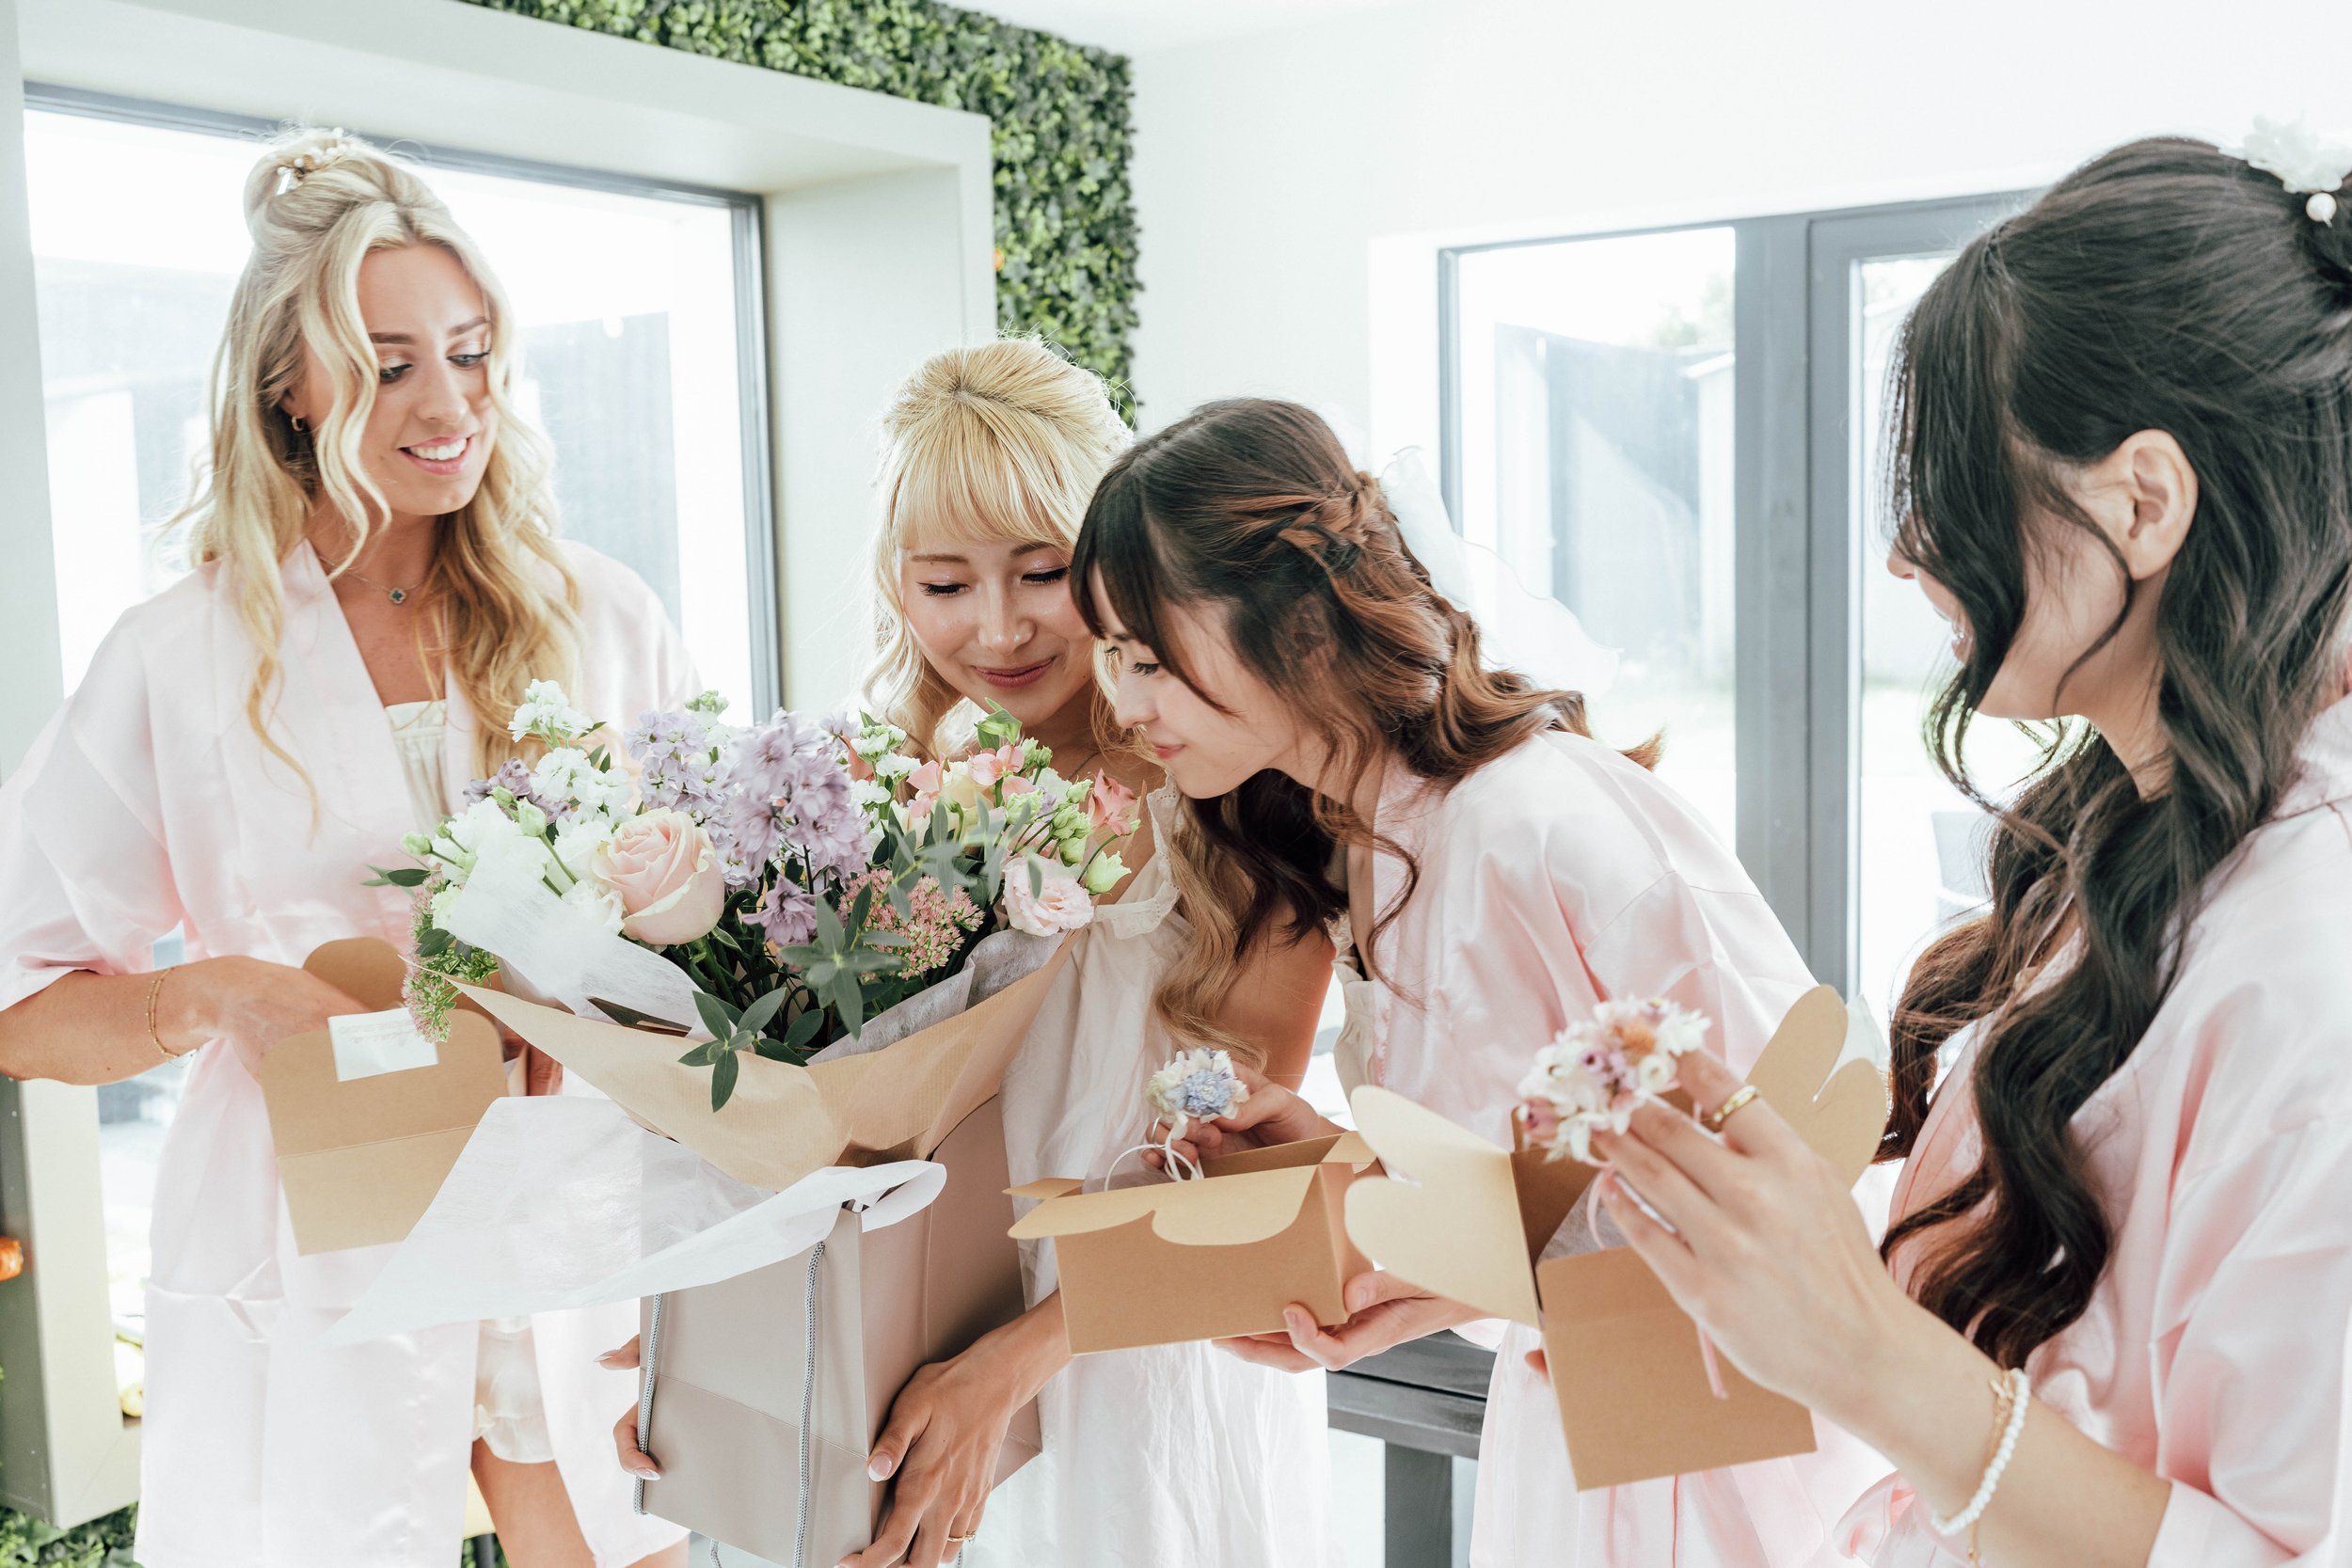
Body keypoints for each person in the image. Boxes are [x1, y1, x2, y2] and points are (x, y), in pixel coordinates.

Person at [1565, 135, 2352, 1567]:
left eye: (1954, 484)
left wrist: (1865, 1351)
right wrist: (1753, 1244)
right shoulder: (2128, 826)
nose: (1905, 549)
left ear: (2143, 499)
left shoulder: (2315, 955)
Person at [0, 129, 692, 1568]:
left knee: (628, 1534)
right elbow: (20, 1001)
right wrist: (211, 994)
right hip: (306, 1213)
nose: (448, 404)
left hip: (569, 1183)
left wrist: (617, 984)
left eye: (472, 351)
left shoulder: (602, 614)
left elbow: (701, 914)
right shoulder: (178, 662)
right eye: (387, 363)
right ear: (286, 389)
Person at [1070, 396, 1885, 1565]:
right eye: (1113, 655)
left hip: (1717, 1449)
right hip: (1581, 1418)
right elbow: (1544, 1168)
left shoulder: (1542, 820)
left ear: (1297, 624)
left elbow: (1793, 1174)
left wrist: (1442, 1254)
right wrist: (1354, 1171)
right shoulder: (1368, 836)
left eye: (1146, 655)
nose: (1124, 701)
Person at [608, 340, 1339, 1568]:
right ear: (897, 587)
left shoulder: (1233, 790)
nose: (996, 627)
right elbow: (826, 1128)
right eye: (946, 582)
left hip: (1134, 1361)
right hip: (915, 1356)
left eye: (1041, 572)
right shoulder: (868, 801)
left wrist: (1023, 1356)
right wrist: (717, 1323)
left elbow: (1233, 1145)